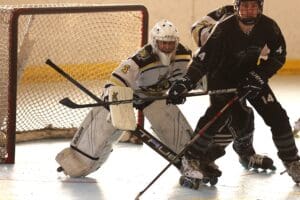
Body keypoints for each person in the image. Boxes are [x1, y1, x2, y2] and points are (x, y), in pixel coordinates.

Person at [55, 19, 222, 181]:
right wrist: (111, 98)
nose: (167, 47)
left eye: (171, 43)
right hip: (126, 98)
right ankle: (77, 163)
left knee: (172, 122)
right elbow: (116, 80)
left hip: (153, 97)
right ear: (154, 42)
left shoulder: (183, 55)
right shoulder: (141, 59)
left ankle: (194, 160)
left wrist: (206, 83)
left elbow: (191, 77)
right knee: (103, 129)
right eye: (163, 43)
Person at [168, 0, 300, 184]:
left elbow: (278, 55)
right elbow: (202, 60)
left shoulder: (269, 26)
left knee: (277, 116)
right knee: (217, 117)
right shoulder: (223, 28)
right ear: (237, 7)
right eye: (244, 6)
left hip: (251, 78)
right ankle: (191, 159)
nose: (249, 10)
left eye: (253, 6)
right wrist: (185, 82)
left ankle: (292, 162)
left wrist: (259, 76)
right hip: (222, 78)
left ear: (260, 7)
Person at [191, 5, 275, 171]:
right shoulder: (225, 13)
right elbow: (196, 28)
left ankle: (243, 154)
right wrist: (218, 38)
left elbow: (267, 49)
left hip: (239, 72)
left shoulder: (257, 18)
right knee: (227, 115)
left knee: (242, 115)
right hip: (217, 72)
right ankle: (202, 157)